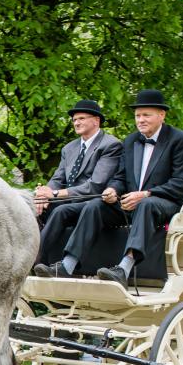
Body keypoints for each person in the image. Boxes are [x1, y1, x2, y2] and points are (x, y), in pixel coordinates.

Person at [33, 89, 183, 286]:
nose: (141, 120)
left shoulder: (180, 140)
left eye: (146, 115)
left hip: (164, 203)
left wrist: (146, 193)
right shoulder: (130, 141)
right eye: (137, 115)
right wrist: (112, 190)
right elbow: (120, 177)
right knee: (94, 206)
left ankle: (124, 268)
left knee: (146, 204)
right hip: (130, 202)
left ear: (161, 115)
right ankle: (67, 265)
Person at [34, 99, 122, 266]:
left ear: (96, 120)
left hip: (92, 201)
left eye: (81, 118)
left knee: (61, 211)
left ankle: (34, 258)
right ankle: (36, 263)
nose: (76, 122)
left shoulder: (111, 145)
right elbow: (58, 178)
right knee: (31, 209)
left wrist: (54, 194)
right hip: (67, 200)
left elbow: (96, 184)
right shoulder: (69, 148)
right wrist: (44, 194)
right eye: (74, 119)